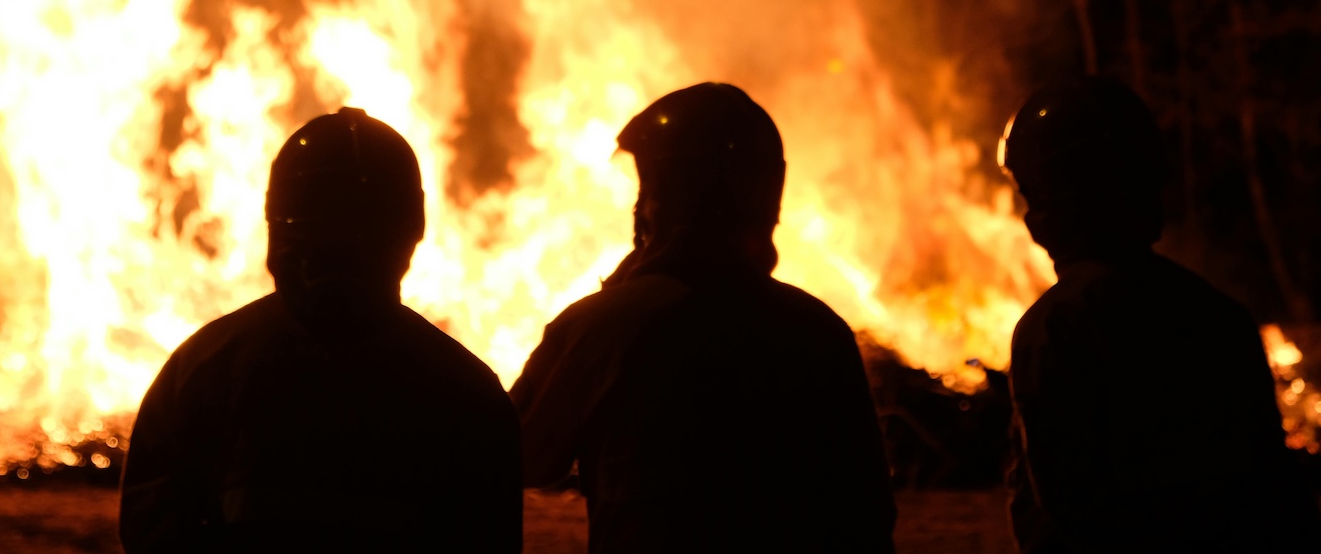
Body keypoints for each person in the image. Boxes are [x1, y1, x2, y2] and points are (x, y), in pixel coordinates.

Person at [511, 83, 898, 553]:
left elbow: (523, 456)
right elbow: (868, 510)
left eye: (647, 186)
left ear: (668, 196)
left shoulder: (606, 323)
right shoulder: (817, 329)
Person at [119, 108, 521, 553]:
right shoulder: (467, 392)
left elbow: (152, 531)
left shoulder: (203, 370)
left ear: (279, 225)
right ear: (410, 232)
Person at [998, 77, 1321, 554]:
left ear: (1054, 203)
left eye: (1033, 196)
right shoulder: (1221, 316)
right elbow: (1279, 505)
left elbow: (1068, 511)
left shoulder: (1057, 329)